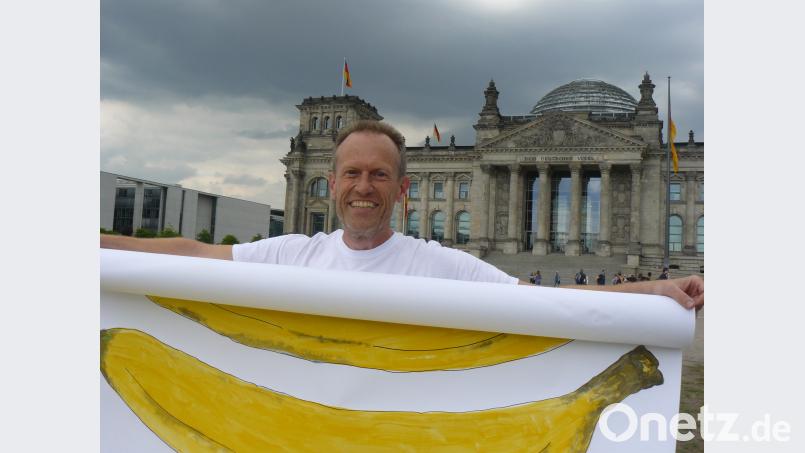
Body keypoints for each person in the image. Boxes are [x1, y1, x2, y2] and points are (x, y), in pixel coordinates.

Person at [101, 120, 704, 310]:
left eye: (379, 175)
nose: (363, 188)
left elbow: (542, 300)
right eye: (351, 174)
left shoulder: (441, 262)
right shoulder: (294, 251)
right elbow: (194, 254)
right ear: (333, 181)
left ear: (402, 189)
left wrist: (656, 287)